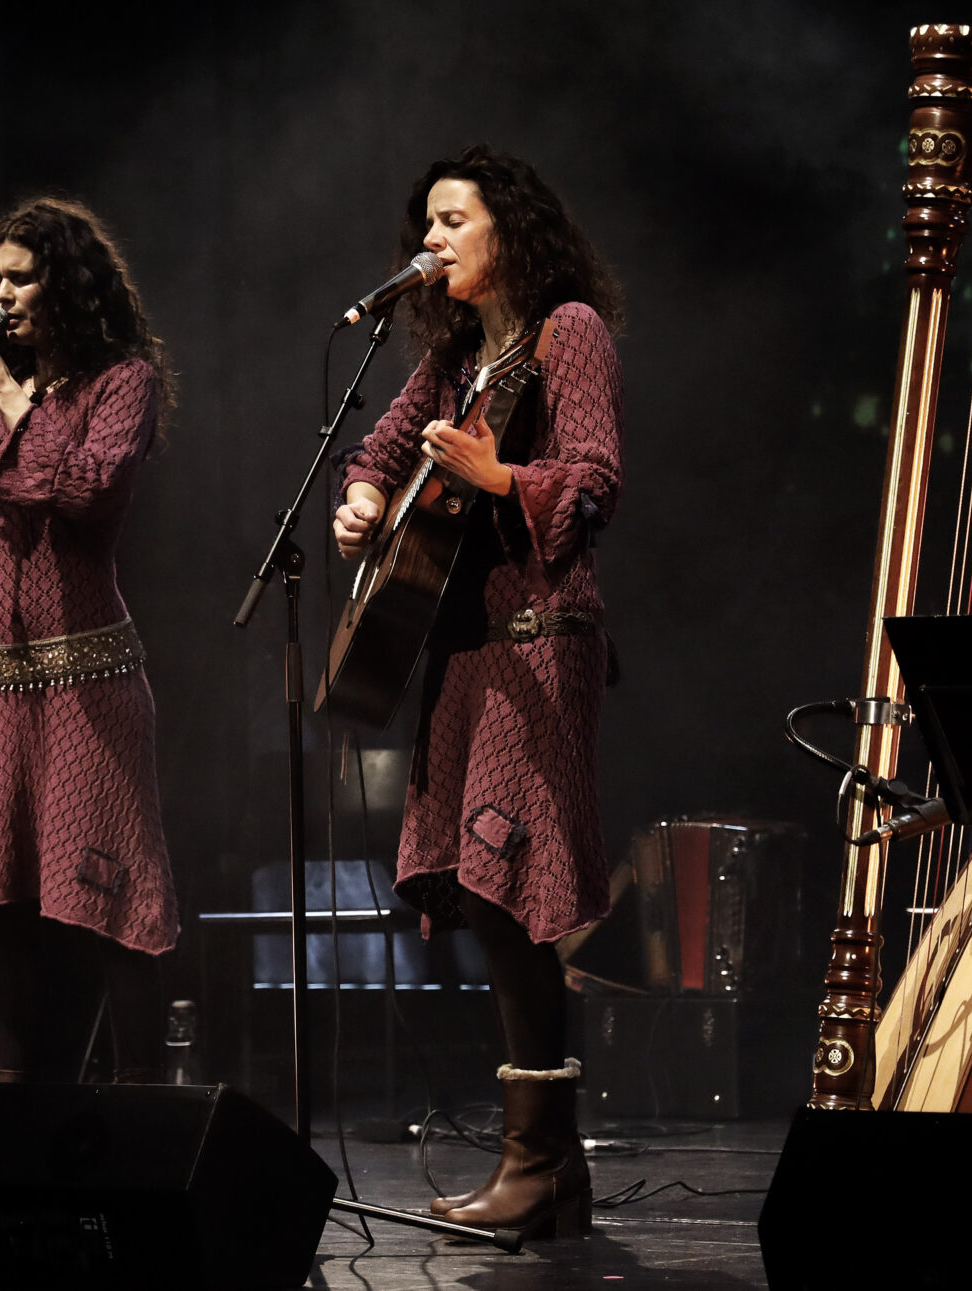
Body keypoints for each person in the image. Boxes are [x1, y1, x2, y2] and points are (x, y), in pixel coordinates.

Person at [331, 145, 625, 1239]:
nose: (431, 241)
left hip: (539, 638)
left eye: (452, 220)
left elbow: (594, 481)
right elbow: (378, 445)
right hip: (462, 647)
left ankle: (539, 1161)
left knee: (511, 888)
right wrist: (361, 499)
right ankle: (548, 1170)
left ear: (511, 228)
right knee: (479, 888)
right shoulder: (458, 356)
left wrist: (500, 481)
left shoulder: (567, 333)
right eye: (426, 225)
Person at [0, 197, 177, 1088]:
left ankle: (139, 1106)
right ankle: (15, 1108)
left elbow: (86, 489)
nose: (3, 295)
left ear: (69, 283)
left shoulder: (122, 381)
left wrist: (10, 398)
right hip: (1, 691)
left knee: (105, 898)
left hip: (90, 683)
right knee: (7, 902)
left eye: (23, 276)